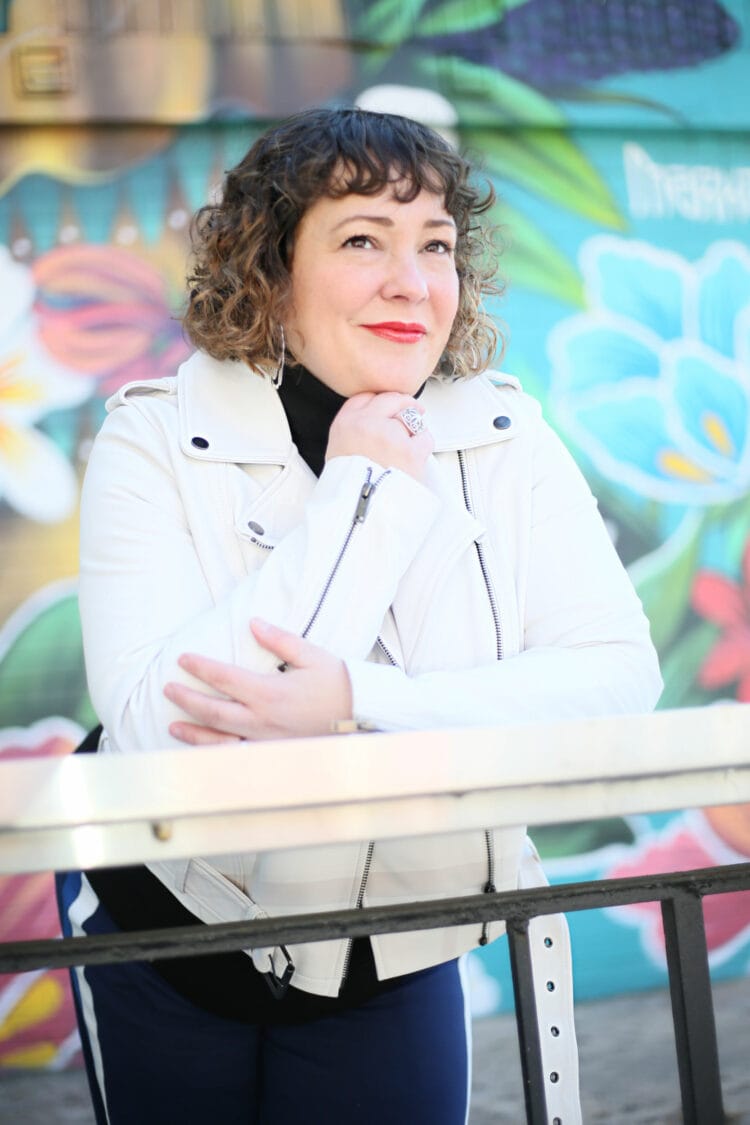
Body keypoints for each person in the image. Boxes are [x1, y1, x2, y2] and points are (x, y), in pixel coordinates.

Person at [56, 106, 662, 1125]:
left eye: (434, 245)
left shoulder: (506, 436)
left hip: (396, 942)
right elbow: (170, 732)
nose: (411, 282)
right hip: (163, 927)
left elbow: (614, 681)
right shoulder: (152, 440)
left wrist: (360, 706)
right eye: (360, 241)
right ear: (270, 272)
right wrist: (364, 494)